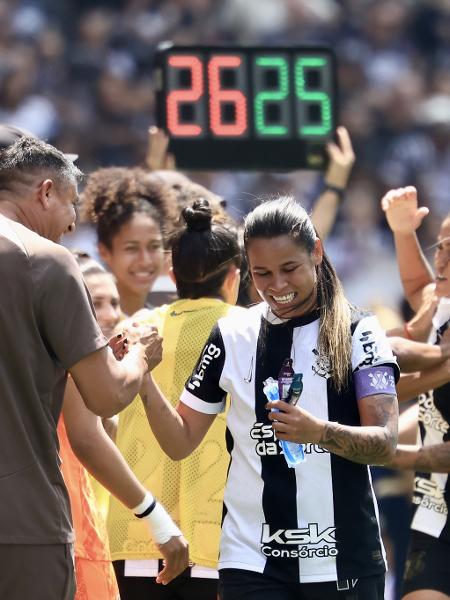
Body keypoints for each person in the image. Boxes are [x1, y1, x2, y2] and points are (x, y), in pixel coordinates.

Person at [140, 196, 399, 600]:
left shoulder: (359, 331)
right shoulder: (231, 334)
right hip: (251, 560)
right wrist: (142, 378)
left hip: (344, 560)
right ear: (246, 268)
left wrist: (319, 431)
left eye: (289, 269)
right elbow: (179, 442)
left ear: (316, 251)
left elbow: (385, 444)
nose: (276, 286)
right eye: (262, 273)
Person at [0, 135, 172, 600]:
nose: (72, 223)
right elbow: (106, 396)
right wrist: (139, 355)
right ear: (46, 191)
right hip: (22, 524)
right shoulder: (45, 261)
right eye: (72, 204)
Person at [107, 198, 244, 599]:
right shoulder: (247, 331)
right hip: (219, 539)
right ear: (234, 277)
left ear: (172, 272)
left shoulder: (132, 330)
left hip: (136, 531)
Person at [59, 251, 188, 599]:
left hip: (89, 537)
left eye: (113, 302)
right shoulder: (63, 360)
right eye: (94, 302)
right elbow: (87, 441)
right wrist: (157, 519)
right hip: (64, 544)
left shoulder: (111, 377)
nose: (109, 314)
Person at [381, 186, 450, 600]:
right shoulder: (440, 307)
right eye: (441, 245)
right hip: (435, 507)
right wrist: (404, 232)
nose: (441, 257)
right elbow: (419, 284)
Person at [80, 165, 177, 316]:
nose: (145, 260)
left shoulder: (167, 323)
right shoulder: (88, 322)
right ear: (104, 251)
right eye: (131, 248)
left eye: (154, 246)